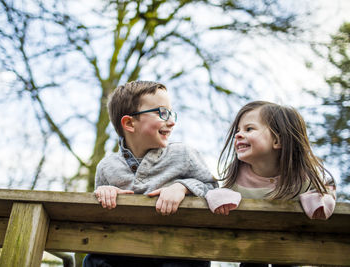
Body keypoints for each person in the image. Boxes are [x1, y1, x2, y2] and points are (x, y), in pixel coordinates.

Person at [83, 80, 217, 267]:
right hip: (127, 250)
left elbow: (212, 188)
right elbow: (99, 220)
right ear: (130, 123)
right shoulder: (107, 166)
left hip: (176, 249)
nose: (171, 122)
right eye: (162, 113)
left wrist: (182, 187)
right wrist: (104, 194)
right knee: (94, 259)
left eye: (171, 113)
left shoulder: (183, 155)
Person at [205, 100, 336, 267]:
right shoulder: (237, 177)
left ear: (278, 140)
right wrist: (221, 197)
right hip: (252, 247)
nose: (238, 135)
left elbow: (328, 188)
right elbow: (217, 192)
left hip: (290, 246)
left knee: (287, 260)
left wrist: (318, 200)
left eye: (249, 129)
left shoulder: (303, 175)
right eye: (238, 130)